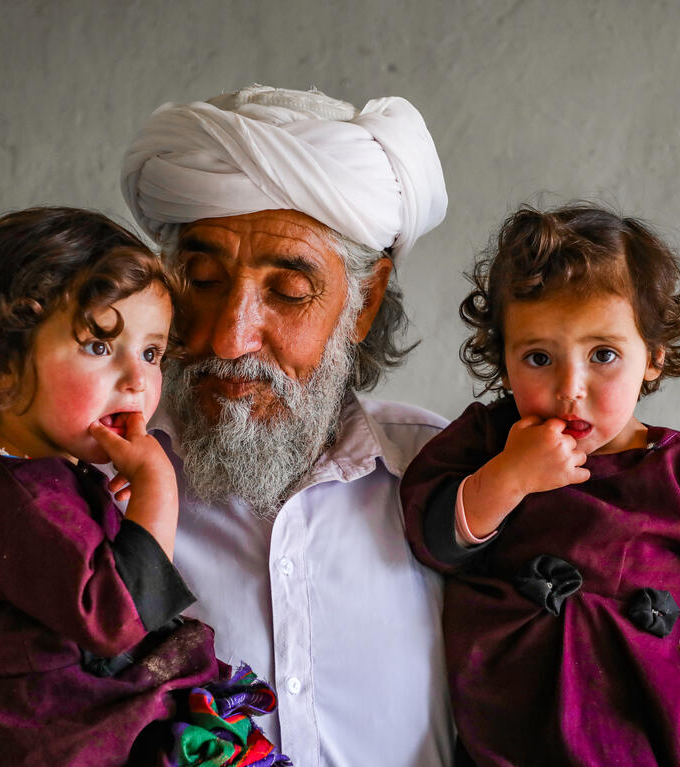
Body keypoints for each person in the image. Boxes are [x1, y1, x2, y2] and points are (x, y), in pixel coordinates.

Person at [399, 204, 680, 767]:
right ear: (503, 364)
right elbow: (429, 538)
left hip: (647, 746)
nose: (570, 387)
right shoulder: (487, 444)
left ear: (652, 357)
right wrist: (508, 477)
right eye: (537, 357)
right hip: (503, 749)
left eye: (603, 354)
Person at [0, 207, 289, 766]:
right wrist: (155, 488)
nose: (137, 378)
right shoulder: (27, 495)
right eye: (99, 345)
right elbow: (117, 620)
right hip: (43, 738)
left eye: (151, 352)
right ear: (1, 362)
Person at [119, 84, 454, 767]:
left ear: (365, 303)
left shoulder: (451, 484)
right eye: (203, 280)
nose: (230, 336)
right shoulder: (91, 497)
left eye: (288, 292)